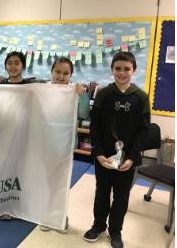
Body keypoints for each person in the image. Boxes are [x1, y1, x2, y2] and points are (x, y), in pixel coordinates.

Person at [83, 52, 149, 248]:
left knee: (121, 196)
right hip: (104, 157)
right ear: (112, 70)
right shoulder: (104, 94)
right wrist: (99, 153)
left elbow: (143, 130)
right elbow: (94, 125)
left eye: (126, 69)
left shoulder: (141, 97)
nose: (122, 72)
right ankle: (98, 225)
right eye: (118, 68)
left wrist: (132, 157)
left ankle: (115, 231)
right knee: (102, 192)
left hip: (127, 160)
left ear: (133, 70)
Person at [36, 57, 89, 233]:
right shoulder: (44, 90)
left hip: (65, 145)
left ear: (71, 75)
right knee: (45, 180)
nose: (61, 76)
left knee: (61, 181)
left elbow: (83, 113)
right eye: (58, 72)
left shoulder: (74, 91)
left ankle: (60, 217)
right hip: (45, 143)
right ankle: (46, 214)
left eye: (66, 73)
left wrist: (82, 95)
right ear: (52, 72)